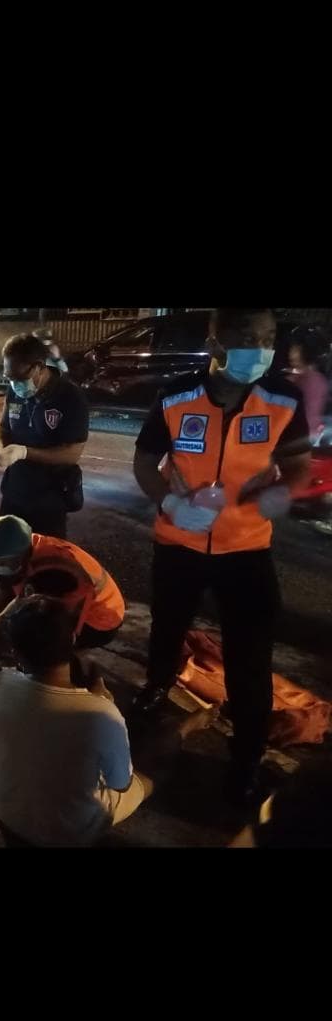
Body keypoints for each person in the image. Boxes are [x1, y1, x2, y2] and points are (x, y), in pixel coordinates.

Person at [132, 306, 312, 804]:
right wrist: (170, 503)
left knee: (250, 658)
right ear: (216, 344)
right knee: (168, 626)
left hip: (246, 550)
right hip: (179, 542)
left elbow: (297, 464)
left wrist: (281, 493)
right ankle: (155, 687)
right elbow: (145, 461)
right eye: (250, 338)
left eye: (269, 337)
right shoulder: (176, 396)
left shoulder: (283, 398)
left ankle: (246, 759)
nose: (263, 349)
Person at [0, 595, 192, 847]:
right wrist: (103, 703)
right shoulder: (101, 713)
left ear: (14, 651)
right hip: (69, 832)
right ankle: (186, 728)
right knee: (154, 766)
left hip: (6, 810)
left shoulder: (0, 685)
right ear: (73, 638)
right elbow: (120, 784)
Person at [0, 514, 125, 680]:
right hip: (69, 601)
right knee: (9, 618)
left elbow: (4, 619)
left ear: (18, 555)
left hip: (99, 621)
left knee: (29, 632)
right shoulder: (20, 550)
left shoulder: (54, 572)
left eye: (0, 562)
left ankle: (70, 669)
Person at [0, 333, 89, 539]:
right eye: (9, 378)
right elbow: (4, 428)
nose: (15, 384)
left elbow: (71, 453)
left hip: (49, 500)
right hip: (14, 493)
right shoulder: (14, 391)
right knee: (6, 550)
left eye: (20, 378)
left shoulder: (69, 397)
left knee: (45, 555)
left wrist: (24, 452)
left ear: (39, 367)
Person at [284, 326, 330, 446]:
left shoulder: (308, 380)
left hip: (298, 439)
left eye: (295, 349)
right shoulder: (316, 379)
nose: (291, 354)